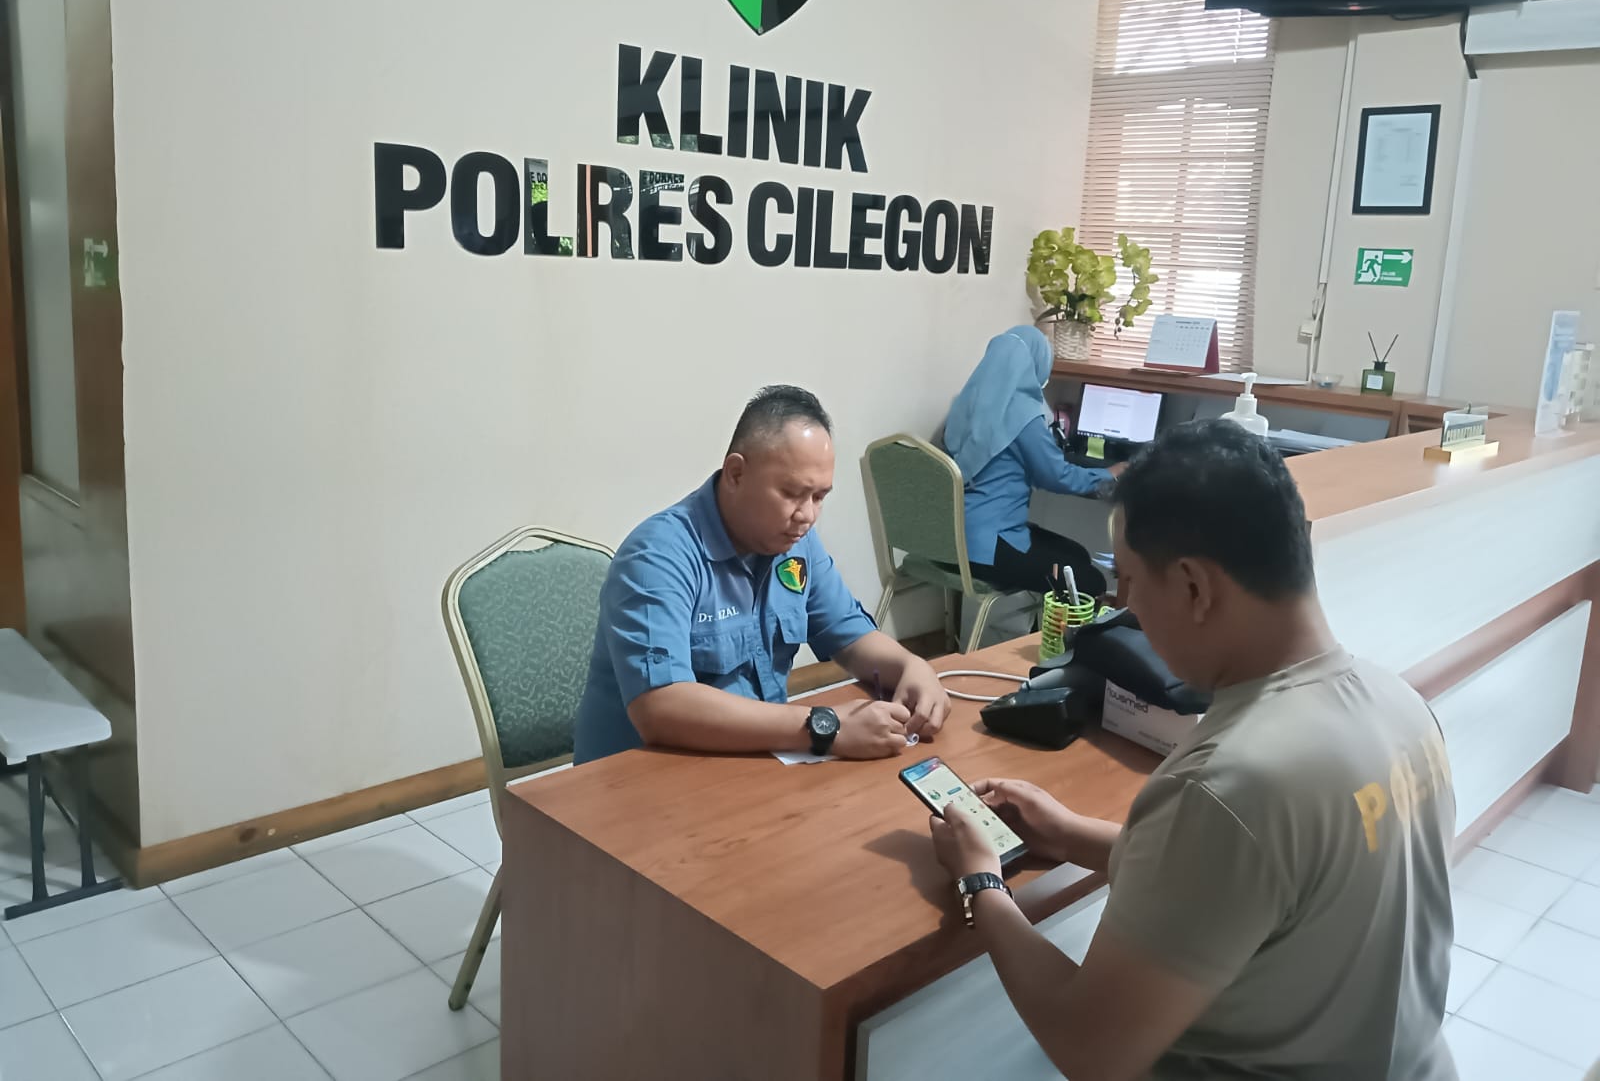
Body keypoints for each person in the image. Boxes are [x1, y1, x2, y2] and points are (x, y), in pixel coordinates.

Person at [925, 420, 1457, 1080]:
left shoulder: (1229, 784)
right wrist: (1069, 834)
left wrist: (980, 882)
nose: (1124, 608)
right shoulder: (1401, 706)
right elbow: (1259, 882)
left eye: (1127, 582)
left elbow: (1089, 1049)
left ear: (1194, 588)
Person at [573, 385, 951, 765]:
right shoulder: (657, 556)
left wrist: (911, 667)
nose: (807, 515)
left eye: (819, 497)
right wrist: (825, 727)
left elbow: (850, 635)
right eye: (792, 493)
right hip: (642, 780)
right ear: (736, 473)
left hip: (749, 763)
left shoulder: (795, 543)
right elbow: (661, 706)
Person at [943, 324, 1117, 598]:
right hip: (990, 547)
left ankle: (1042, 624)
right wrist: (1110, 473)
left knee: (1076, 554)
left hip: (949, 538)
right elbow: (1057, 476)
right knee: (1089, 581)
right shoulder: (1023, 413)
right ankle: (1053, 627)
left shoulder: (966, 405)